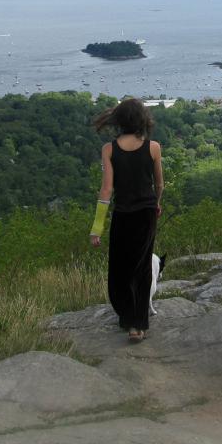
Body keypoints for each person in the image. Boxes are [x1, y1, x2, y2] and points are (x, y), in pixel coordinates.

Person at [90, 98, 163, 343]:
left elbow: (106, 190)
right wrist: (157, 202)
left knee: (120, 268)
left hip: (123, 214)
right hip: (146, 213)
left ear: (119, 120)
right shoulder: (153, 147)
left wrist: (97, 227)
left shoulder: (109, 150)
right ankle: (139, 324)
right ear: (143, 120)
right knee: (142, 267)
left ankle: (127, 317)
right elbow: (159, 183)